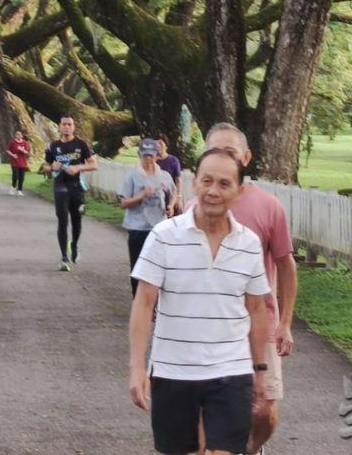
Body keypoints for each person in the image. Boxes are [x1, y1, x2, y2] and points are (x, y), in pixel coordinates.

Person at [129, 148, 269, 455]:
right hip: (173, 370)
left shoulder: (249, 244)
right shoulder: (164, 236)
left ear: (239, 191)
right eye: (207, 181)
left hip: (231, 371)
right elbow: (144, 303)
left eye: (224, 183)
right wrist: (137, 367)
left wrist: (260, 371)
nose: (213, 191)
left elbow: (258, 309)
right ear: (194, 183)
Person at [203, 122, 298, 455]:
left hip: (260, 323)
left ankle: (251, 447)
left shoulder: (268, 206)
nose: (222, 157)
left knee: (263, 410)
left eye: (230, 151)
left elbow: (286, 266)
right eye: (214, 151)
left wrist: (285, 322)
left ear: (246, 157)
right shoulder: (195, 206)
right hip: (210, 327)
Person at [118, 138, 175, 296]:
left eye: (151, 155)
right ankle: (138, 302)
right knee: (138, 268)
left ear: (157, 155)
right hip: (137, 229)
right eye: (145, 156)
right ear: (139, 155)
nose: (148, 159)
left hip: (159, 229)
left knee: (160, 268)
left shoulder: (164, 176)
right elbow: (123, 203)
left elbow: (173, 192)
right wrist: (141, 195)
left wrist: (170, 206)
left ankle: (157, 303)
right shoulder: (132, 176)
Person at [43, 116, 98, 272]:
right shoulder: (53, 146)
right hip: (60, 186)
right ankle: (63, 257)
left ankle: (74, 244)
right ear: (59, 127)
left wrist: (78, 168)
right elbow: (45, 166)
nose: (67, 127)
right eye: (64, 124)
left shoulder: (81, 144)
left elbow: (94, 164)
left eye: (69, 124)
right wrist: (51, 167)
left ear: (73, 127)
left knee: (76, 221)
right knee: (62, 220)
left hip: (77, 187)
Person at [155, 133, 183, 216]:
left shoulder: (173, 160)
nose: (158, 146)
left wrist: (179, 197)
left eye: (160, 143)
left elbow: (178, 180)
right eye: (156, 144)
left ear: (166, 146)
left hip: (171, 194)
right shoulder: (152, 161)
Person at [6, 129, 31, 196]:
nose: (18, 136)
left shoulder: (25, 143)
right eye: (17, 134)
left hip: (22, 162)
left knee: (21, 177)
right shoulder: (13, 142)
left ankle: (19, 190)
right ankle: (13, 187)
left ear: (22, 135)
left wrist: (22, 150)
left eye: (19, 134)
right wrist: (13, 155)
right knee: (15, 175)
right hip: (14, 162)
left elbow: (27, 152)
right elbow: (8, 150)